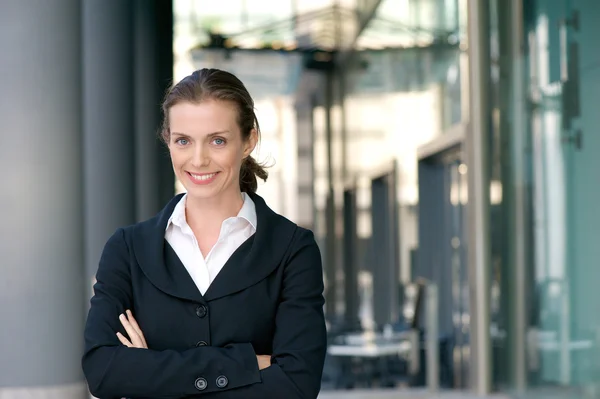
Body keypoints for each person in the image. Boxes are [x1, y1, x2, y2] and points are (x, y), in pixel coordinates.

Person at [82, 68, 327, 398]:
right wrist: (245, 364)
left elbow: (297, 385)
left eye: (217, 140)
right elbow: (103, 371)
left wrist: (149, 371)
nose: (198, 160)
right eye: (183, 141)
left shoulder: (292, 249)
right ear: (168, 140)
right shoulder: (127, 249)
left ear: (249, 140)